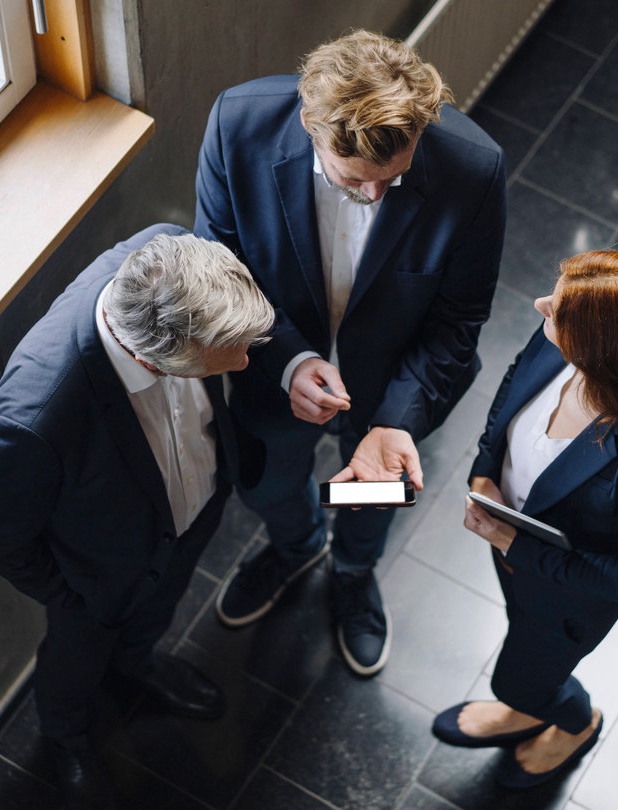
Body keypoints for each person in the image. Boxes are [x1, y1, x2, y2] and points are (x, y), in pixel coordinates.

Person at [194, 29, 508, 676]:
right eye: (353, 180)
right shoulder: (237, 126)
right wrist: (287, 362)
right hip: (270, 369)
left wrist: (395, 421)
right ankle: (296, 545)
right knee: (269, 482)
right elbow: (217, 271)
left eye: (393, 180)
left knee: (372, 496)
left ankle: (353, 570)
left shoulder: (473, 170)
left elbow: (458, 320)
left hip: (394, 383)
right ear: (313, 129)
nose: (373, 196)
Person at [0, 224, 274, 808]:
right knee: (75, 659)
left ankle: (137, 664)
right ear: (152, 358)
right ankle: (66, 737)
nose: (244, 362)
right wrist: (73, 594)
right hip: (95, 578)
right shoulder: (33, 419)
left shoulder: (168, 251)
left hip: (192, 513)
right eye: (225, 356)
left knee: (158, 608)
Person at [432, 250, 618, 789]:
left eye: (558, 310)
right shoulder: (558, 340)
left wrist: (513, 545)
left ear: (602, 354)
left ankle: (572, 720)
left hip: (567, 593)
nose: (542, 306)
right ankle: (533, 701)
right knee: (519, 633)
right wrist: (484, 469)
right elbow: (515, 386)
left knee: (520, 680)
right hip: (512, 540)